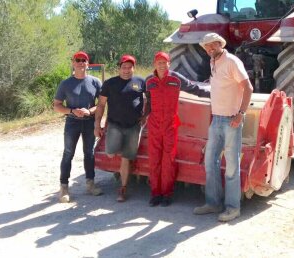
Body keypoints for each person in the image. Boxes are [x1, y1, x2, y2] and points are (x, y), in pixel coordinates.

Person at [193, 33, 253, 222]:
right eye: (206, 47)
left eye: (212, 46)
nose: (209, 49)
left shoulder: (232, 61)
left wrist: (240, 114)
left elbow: (248, 87)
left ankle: (233, 208)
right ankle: (213, 203)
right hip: (216, 120)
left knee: (232, 167)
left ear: (220, 44)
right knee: (210, 162)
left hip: (231, 121)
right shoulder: (213, 62)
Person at [145, 51, 210, 207]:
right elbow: (147, 101)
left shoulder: (176, 79)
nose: (162, 65)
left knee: (168, 159)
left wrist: (214, 95)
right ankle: (155, 193)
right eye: (159, 62)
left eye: (164, 62)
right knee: (154, 159)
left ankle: (166, 194)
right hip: (154, 125)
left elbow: (195, 88)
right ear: (155, 64)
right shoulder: (149, 81)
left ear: (169, 64)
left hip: (170, 125)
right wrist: (142, 117)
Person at [94, 54, 146, 202]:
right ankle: (114, 149)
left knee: (126, 158)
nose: (126, 70)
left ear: (133, 68)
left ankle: (123, 188)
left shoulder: (140, 82)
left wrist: (146, 115)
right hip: (115, 125)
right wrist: (97, 124)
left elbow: (149, 98)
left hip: (133, 126)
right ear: (119, 68)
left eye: (129, 67)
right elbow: (101, 105)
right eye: (124, 67)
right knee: (110, 152)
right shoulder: (110, 83)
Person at [53, 51, 103, 203]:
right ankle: (64, 187)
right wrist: (71, 111)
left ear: (88, 64)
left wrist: (90, 111)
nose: (81, 63)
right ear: (73, 63)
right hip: (72, 122)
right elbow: (57, 105)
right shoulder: (65, 84)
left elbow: (101, 105)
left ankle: (90, 184)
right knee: (68, 153)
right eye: (78, 60)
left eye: (84, 60)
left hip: (89, 122)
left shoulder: (95, 82)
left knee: (89, 153)